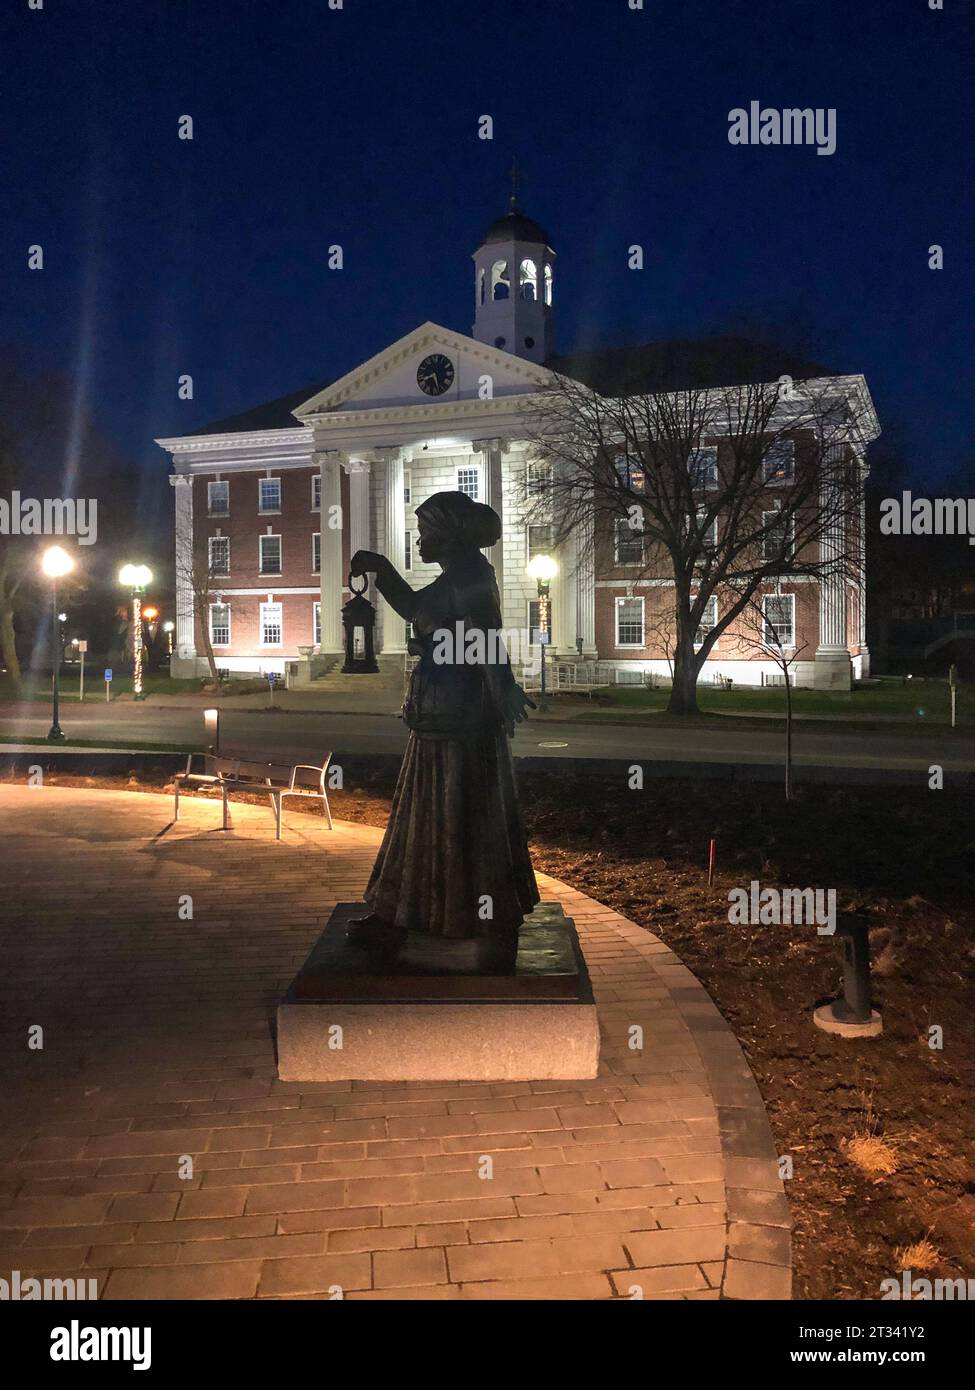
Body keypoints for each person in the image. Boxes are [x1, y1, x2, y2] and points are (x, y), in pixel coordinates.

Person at [348, 490, 539, 970]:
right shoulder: (457, 576)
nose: (420, 538)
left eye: (426, 530)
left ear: (449, 534)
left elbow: (486, 638)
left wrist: (506, 690)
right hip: (439, 717)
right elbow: (418, 610)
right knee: (427, 813)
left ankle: (481, 919)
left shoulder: (473, 576)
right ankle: (401, 914)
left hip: (459, 722)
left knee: (458, 815)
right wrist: (381, 568)